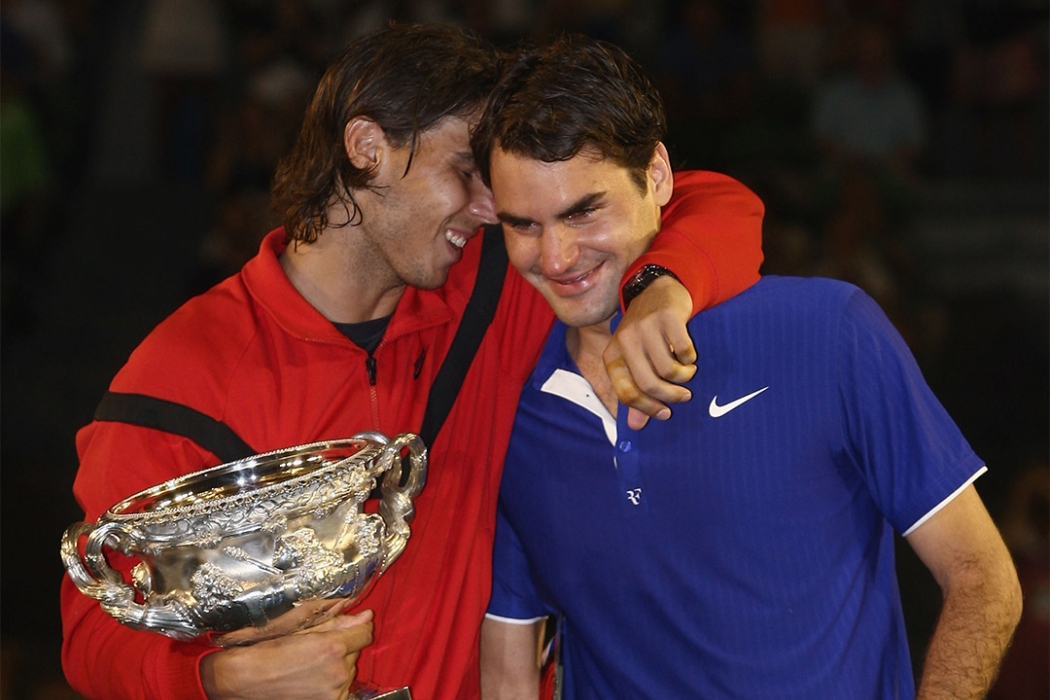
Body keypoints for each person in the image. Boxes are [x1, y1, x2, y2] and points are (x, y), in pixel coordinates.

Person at [59, 23, 765, 700]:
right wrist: (219, 681)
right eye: (465, 171)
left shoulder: (499, 285)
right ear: (367, 147)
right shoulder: (181, 375)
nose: (491, 209)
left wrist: (660, 286)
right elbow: (94, 633)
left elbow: (712, 201)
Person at [472, 33, 1022, 699]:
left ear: (657, 176)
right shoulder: (510, 409)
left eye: (584, 211)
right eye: (524, 225)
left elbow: (982, 579)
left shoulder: (828, 331)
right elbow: (508, 671)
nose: (557, 257)